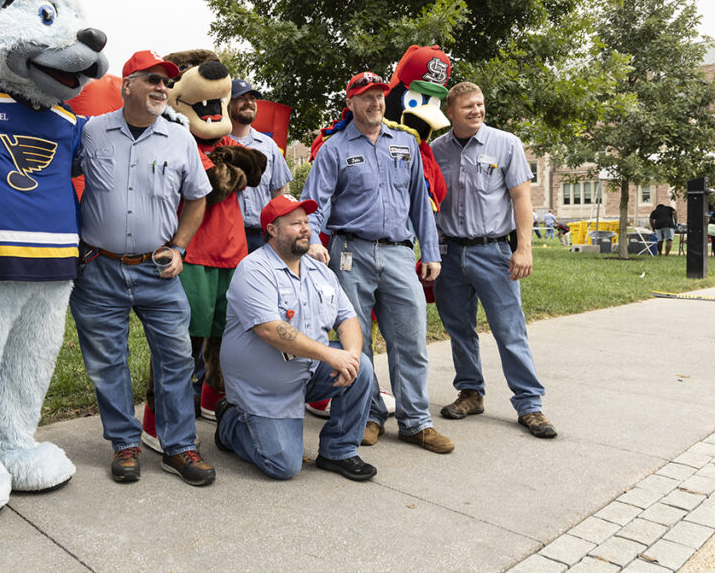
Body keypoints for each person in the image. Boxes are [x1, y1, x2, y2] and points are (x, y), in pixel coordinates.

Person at [69, 50, 217, 487]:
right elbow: (58, 177)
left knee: (175, 359)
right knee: (106, 363)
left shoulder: (179, 137)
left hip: (158, 270)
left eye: (166, 82)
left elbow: (197, 196)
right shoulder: (91, 133)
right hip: (99, 270)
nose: (161, 88)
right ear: (127, 85)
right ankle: (124, 445)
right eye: (152, 79)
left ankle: (178, 447)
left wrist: (180, 247)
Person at [301, 71, 453, 454]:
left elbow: (422, 201)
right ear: (350, 102)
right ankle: (368, 417)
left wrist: (430, 252)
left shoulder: (405, 143)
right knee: (359, 342)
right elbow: (315, 203)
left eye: (380, 96)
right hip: (350, 252)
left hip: (400, 253)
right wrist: (311, 244)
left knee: (411, 339)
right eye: (366, 97)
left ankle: (416, 421)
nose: (375, 103)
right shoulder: (334, 148)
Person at [216, 195, 376, 481]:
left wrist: (349, 356)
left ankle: (338, 451)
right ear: (272, 230)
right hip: (264, 390)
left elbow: (347, 318)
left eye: (306, 222)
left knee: (360, 366)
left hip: (308, 373)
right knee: (284, 466)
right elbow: (270, 329)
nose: (305, 228)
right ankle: (231, 420)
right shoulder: (253, 270)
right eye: (295, 223)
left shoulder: (320, 272)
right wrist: (330, 354)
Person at [431, 81, 556, 439]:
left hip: (494, 251)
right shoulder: (437, 150)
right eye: (468, 106)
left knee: (509, 329)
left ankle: (530, 404)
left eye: (480, 104)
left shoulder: (506, 144)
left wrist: (524, 248)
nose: (476, 111)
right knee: (459, 328)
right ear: (450, 112)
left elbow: (521, 200)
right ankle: (470, 392)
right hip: (450, 254)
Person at [228, 79, 293, 253]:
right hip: (227, 237)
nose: (248, 103)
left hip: (262, 237)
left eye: (252, 98)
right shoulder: (217, 145)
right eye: (241, 98)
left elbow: (279, 194)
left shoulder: (269, 145)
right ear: (227, 102)